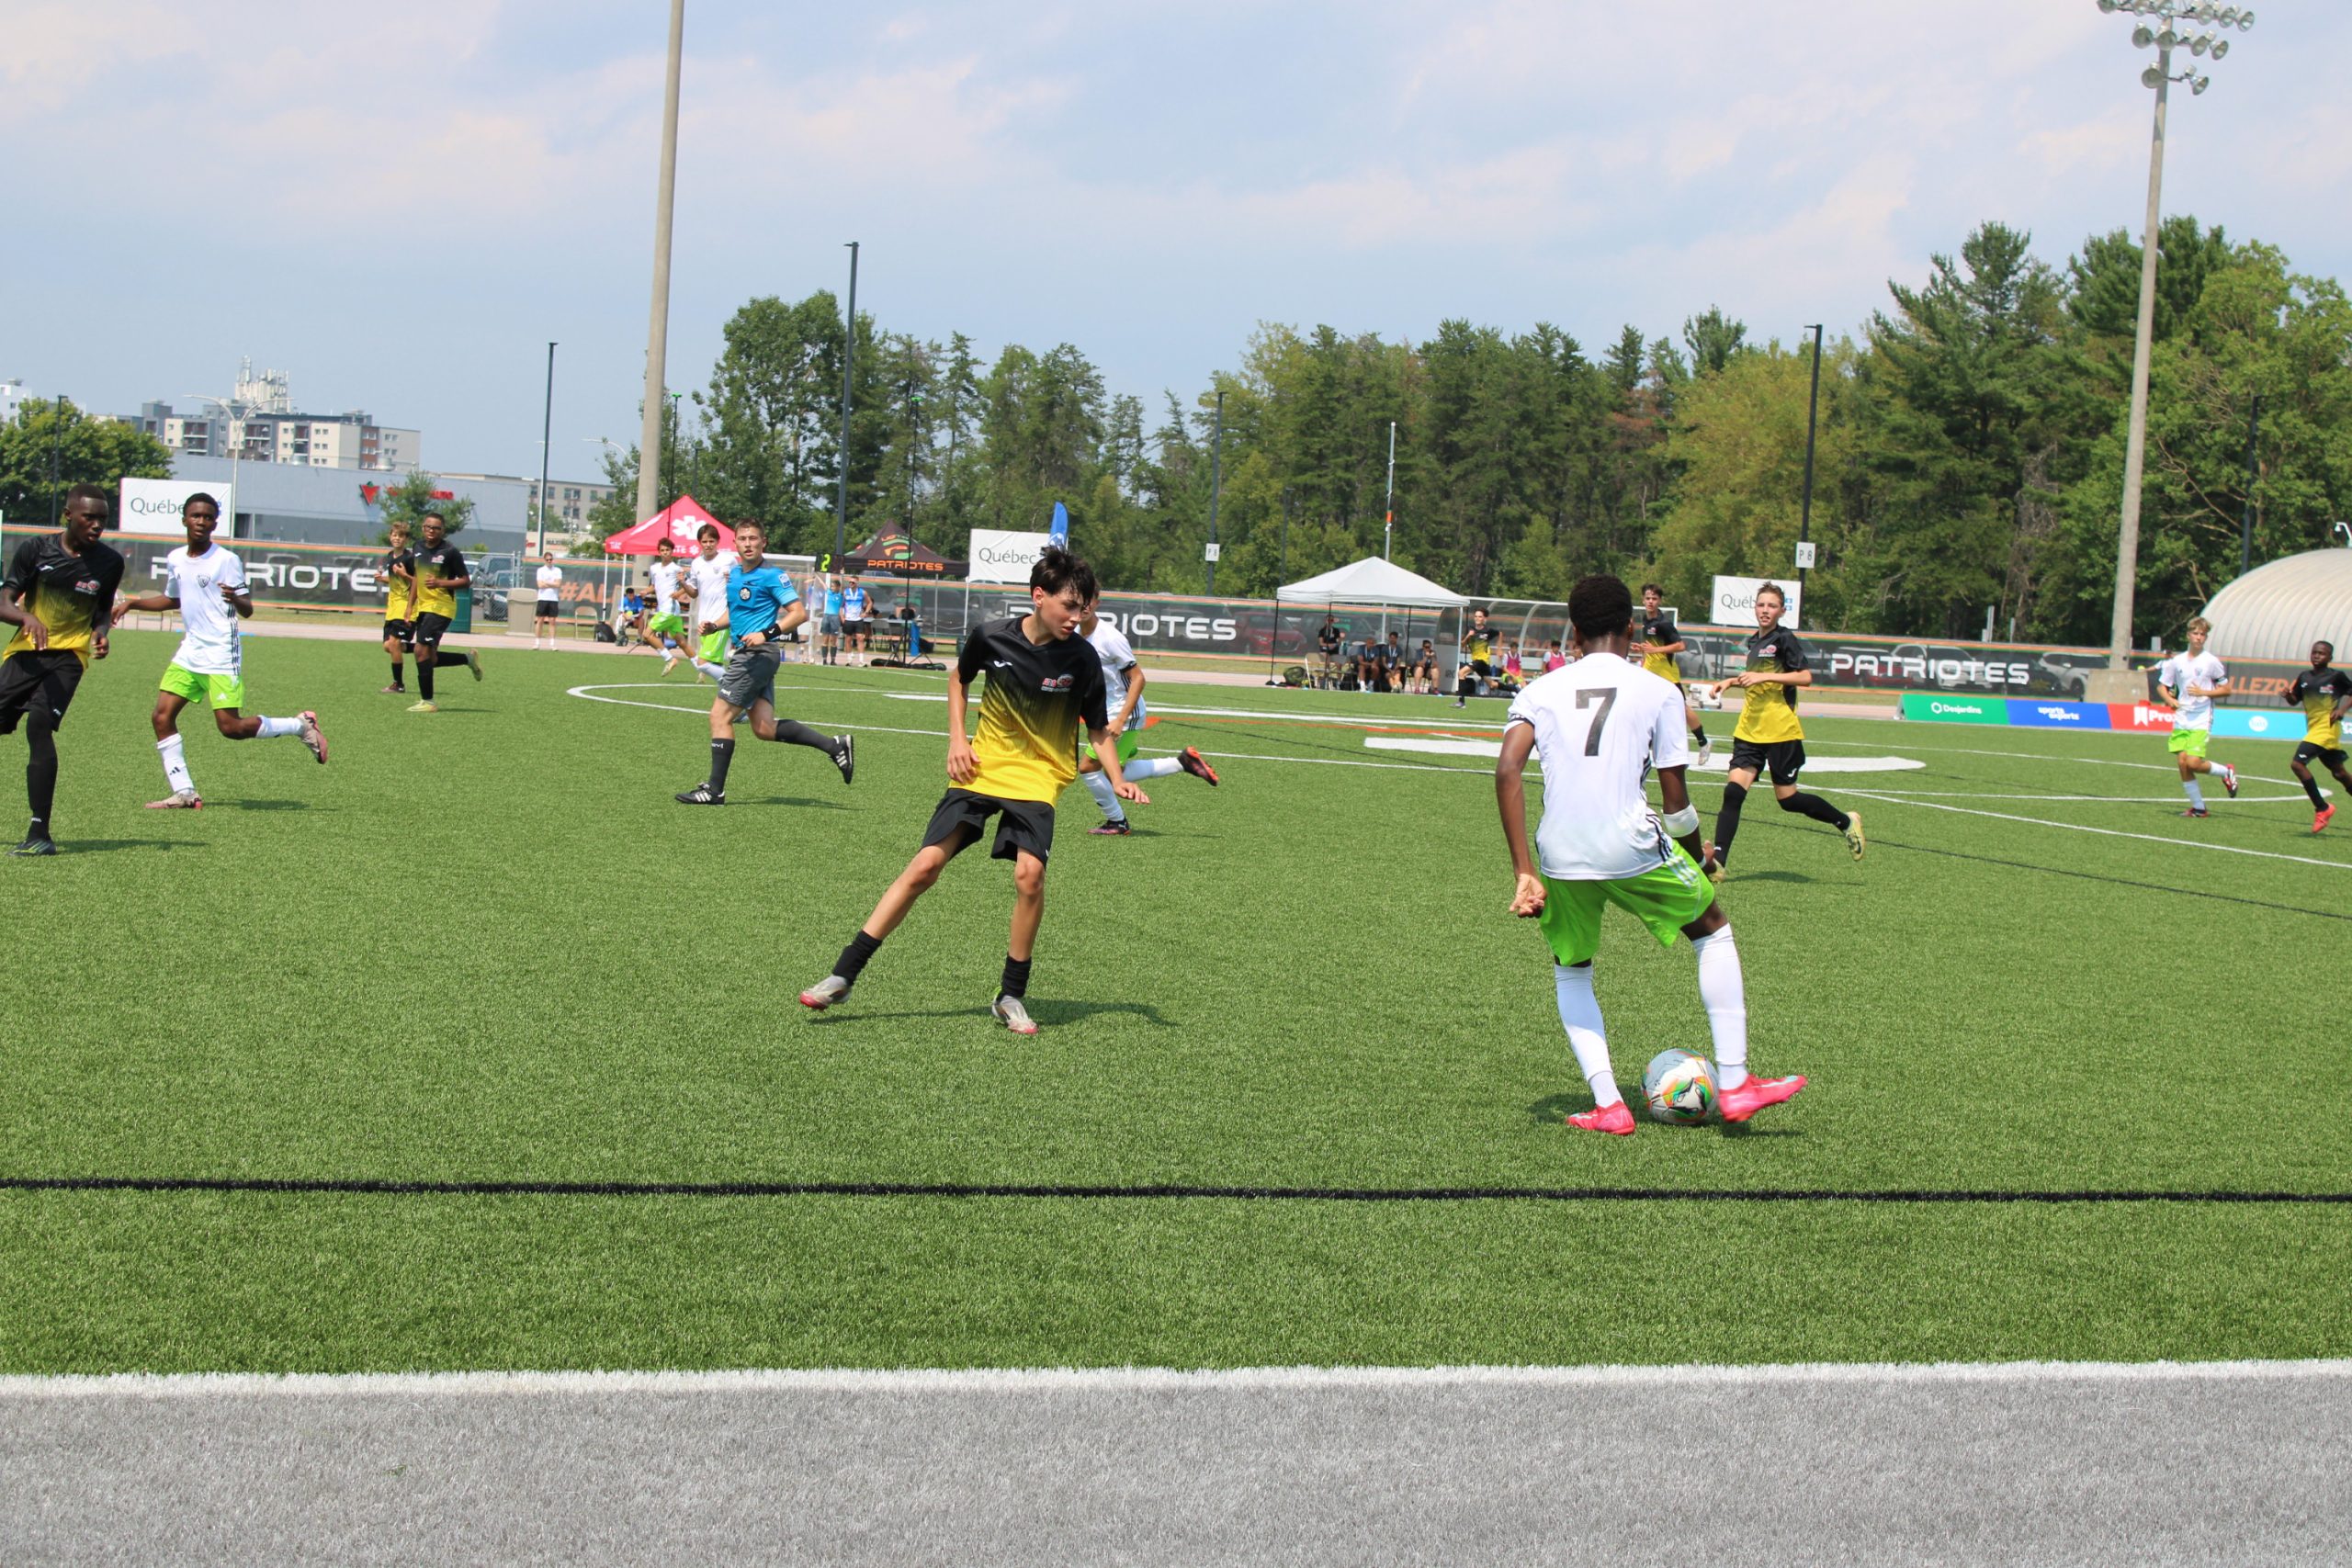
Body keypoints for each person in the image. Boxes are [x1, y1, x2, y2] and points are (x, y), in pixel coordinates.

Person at [1497, 574, 1804, 1134]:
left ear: (1573, 631)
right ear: (1632, 630)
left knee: (1573, 969)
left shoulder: (1540, 689)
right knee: (1711, 927)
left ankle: (1609, 1105)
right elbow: (1676, 800)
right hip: (1630, 842)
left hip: (1559, 851)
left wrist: (1523, 870)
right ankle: (1734, 1082)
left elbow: (1507, 769)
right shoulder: (1659, 691)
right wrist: (1698, 859)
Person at [797, 547, 1143, 1035]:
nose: (1077, 616)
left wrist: (1119, 778)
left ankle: (1010, 995)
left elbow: (1099, 731)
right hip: (982, 768)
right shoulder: (991, 637)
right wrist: (958, 739)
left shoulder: (1082, 658)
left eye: (1083, 608)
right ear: (1038, 596)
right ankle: (843, 974)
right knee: (924, 866)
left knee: (1030, 879)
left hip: (1038, 778)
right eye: (1069, 605)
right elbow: (958, 680)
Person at [113, 493, 327, 809]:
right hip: (191, 651)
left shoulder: (225, 560)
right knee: (161, 717)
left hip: (221, 652)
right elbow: (174, 599)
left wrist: (235, 598)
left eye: (208, 517)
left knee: (231, 728)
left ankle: (300, 725)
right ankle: (184, 792)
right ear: (184, 519)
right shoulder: (175, 558)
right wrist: (132, 602)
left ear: (215, 522)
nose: (202, 522)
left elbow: (248, 609)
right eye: (196, 516)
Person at [673, 519, 854, 805]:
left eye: (753, 538)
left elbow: (798, 613)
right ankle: (834, 746)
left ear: (763, 542)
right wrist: (715, 626)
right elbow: (737, 612)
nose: (748, 543)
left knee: (719, 717)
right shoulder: (734, 575)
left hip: (757, 655)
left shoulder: (772, 575)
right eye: (742, 538)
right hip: (749, 654)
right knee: (763, 728)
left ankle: (715, 791)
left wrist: (765, 633)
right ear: (734, 543)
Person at [1704, 581, 1862, 876]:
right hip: (1750, 729)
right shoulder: (1753, 641)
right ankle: (1719, 863)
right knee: (1733, 793)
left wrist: (1764, 680)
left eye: (1772, 606)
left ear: (1782, 610)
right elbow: (1756, 675)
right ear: (1755, 607)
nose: (1765, 610)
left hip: (1781, 731)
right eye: (1761, 605)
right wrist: (1730, 681)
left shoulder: (1785, 639)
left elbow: (1804, 677)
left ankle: (1845, 821)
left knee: (1788, 800)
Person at [0, 485, 126, 855]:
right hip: (26, 653)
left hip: (69, 657)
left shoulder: (110, 562)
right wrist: (26, 617)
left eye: (103, 518)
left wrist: (101, 632)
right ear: (69, 515)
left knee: (39, 724)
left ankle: (40, 833)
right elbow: (3, 600)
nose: (97, 525)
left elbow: (102, 609)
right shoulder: (36, 550)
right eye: (90, 517)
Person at [1076, 595, 1220, 835]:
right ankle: (1182, 762)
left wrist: (1121, 719)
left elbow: (1139, 678)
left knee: (1089, 768)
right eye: (1076, 601)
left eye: (1087, 601)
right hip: (1107, 712)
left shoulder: (1109, 638)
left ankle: (1117, 822)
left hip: (1122, 714)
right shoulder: (1077, 636)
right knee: (1114, 772)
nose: (1082, 607)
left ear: (1097, 602)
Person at [2155, 617, 2239, 818]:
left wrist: (2204, 692)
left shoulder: (2211, 661)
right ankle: (2199, 807)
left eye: (2202, 634)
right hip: (2182, 716)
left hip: (2201, 716)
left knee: (2193, 763)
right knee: (2183, 763)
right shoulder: (2177, 662)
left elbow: (2227, 689)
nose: (2199, 637)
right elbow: (2161, 686)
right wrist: (2170, 700)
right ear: (2188, 635)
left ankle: (2226, 772)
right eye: (2196, 633)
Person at [406, 513, 481, 713]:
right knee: (430, 658)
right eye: (428, 527)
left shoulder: (450, 551)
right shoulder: (418, 547)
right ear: (423, 528)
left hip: (442, 606)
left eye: (436, 528)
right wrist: (409, 607)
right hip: (423, 607)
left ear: (443, 530)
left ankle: (428, 702)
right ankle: (467, 659)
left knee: (419, 650)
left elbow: (466, 580)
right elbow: (416, 578)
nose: (432, 530)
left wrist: (440, 582)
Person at [1638, 583, 1711, 766]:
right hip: (1650, 675)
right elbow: (1649, 649)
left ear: (1659, 601)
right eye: (1648, 598)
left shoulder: (1663, 623)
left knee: (1683, 710)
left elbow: (1680, 646)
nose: (1650, 602)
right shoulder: (1646, 622)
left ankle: (1704, 741)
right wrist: (1643, 654)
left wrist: (1656, 649)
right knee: (1644, 708)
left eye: (1654, 599)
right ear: (1643, 600)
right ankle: (1644, 746)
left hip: (1667, 675)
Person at [2285, 641, 2352, 833]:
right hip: (2314, 729)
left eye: (2322, 653)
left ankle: (2322, 808)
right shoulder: (2304, 677)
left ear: (2330, 658)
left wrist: (2342, 709)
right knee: (2339, 773)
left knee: (2297, 764)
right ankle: (2323, 808)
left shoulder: (2336, 677)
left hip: (2327, 729)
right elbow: (2294, 700)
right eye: (2314, 652)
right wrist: (2287, 695)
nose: (2316, 656)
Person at [684, 524, 733, 682]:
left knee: (702, 663)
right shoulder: (696, 564)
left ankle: (735, 687)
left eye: (711, 541)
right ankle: (729, 698)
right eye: (704, 542)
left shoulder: (728, 560)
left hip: (719, 620)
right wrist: (682, 584)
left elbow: (741, 583)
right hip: (703, 621)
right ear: (700, 542)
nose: (708, 545)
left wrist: (732, 581)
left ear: (717, 541)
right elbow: (694, 593)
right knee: (716, 664)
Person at [378, 521, 418, 693]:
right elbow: (396, 580)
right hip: (393, 608)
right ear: (390, 537)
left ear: (406, 539)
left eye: (401, 536)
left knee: (394, 644)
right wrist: (383, 579)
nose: (397, 538)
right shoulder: (390, 556)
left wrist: (404, 574)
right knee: (388, 646)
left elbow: (417, 581)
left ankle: (398, 684)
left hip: (407, 608)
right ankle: (423, 648)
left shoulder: (409, 558)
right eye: (394, 535)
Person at [648, 537, 690, 674]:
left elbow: (688, 586)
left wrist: (678, 593)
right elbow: (654, 586)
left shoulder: (676, 569)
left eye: (667, 550)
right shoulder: (654, 568)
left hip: (669, 608)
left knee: (647, 634)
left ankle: (670, 658)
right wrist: (645, 591)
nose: (665, 553)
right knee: (681, 642)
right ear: (659, 552)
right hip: (665, 608)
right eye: (662, 550)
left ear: (672, 552)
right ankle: (700, 667)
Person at [1454, 606, 1495, 706]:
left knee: (1461, 672)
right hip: (1476, 660)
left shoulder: (1487, 631)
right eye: (1476, 616)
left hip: (1482, 661)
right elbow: (1462, 645)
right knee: (1492, 684)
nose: (1477, 618)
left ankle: (1461, 701)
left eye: (1480, 616)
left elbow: (1498, 635)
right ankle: (1514, 689)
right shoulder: (1470, 629)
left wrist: (1498, 649)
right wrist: (1468, 636)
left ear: (1484, 618)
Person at [532, 553, 562, 649]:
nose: (549, 561)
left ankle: (552, 644)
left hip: (553, 598)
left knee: (552, 621)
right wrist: (551, 583)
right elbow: (540, 585)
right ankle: (537, 643)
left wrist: (546, 582)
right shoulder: (540, 570)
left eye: (551, 559)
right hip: (543, 598)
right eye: (547, 560)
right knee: (540, 620)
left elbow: (558, 584)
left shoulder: (557, 570)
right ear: (544, 560)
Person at [841, 574, 871, 668]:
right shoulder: (846, 592)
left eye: (853, 582)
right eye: (849, 582)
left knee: (860, 638)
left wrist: (866, 612)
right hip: (848, 619)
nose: (851, 584)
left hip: (858, 619)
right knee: (848, 639)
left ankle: (861, 661)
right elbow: (841, 605)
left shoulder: (862, 592)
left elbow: (869, 602)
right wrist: (842, 617)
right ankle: (849, 659)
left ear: (857, 583)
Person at [820, 572, 845, 666]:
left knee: (833, 640)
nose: (831, 588)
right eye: (831, 586)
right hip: (827, 616)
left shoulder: (840, 595)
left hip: (835, 617)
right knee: (825, 639)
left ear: (838, 587)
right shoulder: (829, 593)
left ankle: (833, 660)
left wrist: (841, 575)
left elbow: (842, 585)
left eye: (833, 586)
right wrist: (818, 576)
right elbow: (824, 585)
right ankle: (824, 660)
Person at [1317, 615, 1345, 686]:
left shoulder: (1336, 630)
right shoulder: (1322, 630)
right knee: (1327, 660)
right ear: (1326, 621)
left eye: (1332, 620)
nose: (1330, 622)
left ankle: (1339, 683)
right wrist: (1329, 645)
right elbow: (1321, 643)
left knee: (1339, 665)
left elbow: (1338, 642)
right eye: (1328, 620)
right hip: (1325, 650)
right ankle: (1326, 680)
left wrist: (1341, 639)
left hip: (1334, 651)